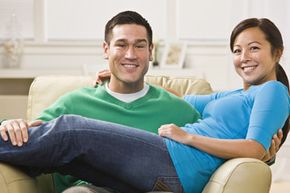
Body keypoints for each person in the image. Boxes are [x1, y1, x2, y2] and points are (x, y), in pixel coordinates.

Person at [0, 17, 289, 193]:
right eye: (237, 50)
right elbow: (180, 97)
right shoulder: (233, 96)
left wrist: (189, 137)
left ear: (277, 52)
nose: (244, 57)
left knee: (71, 129)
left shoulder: (273, 91)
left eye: (254, 48)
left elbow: (255, 148)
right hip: (170, 168)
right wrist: (117, 72)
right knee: (70, 156)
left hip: (175, 161)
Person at [0, 11, 200, 193]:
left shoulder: (179, 110)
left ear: (150, 51)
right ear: (106, 49)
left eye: (139, 46)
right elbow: (35, 140)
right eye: (121, 45)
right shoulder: (74, 102)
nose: (130, 55)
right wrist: (8, 125)